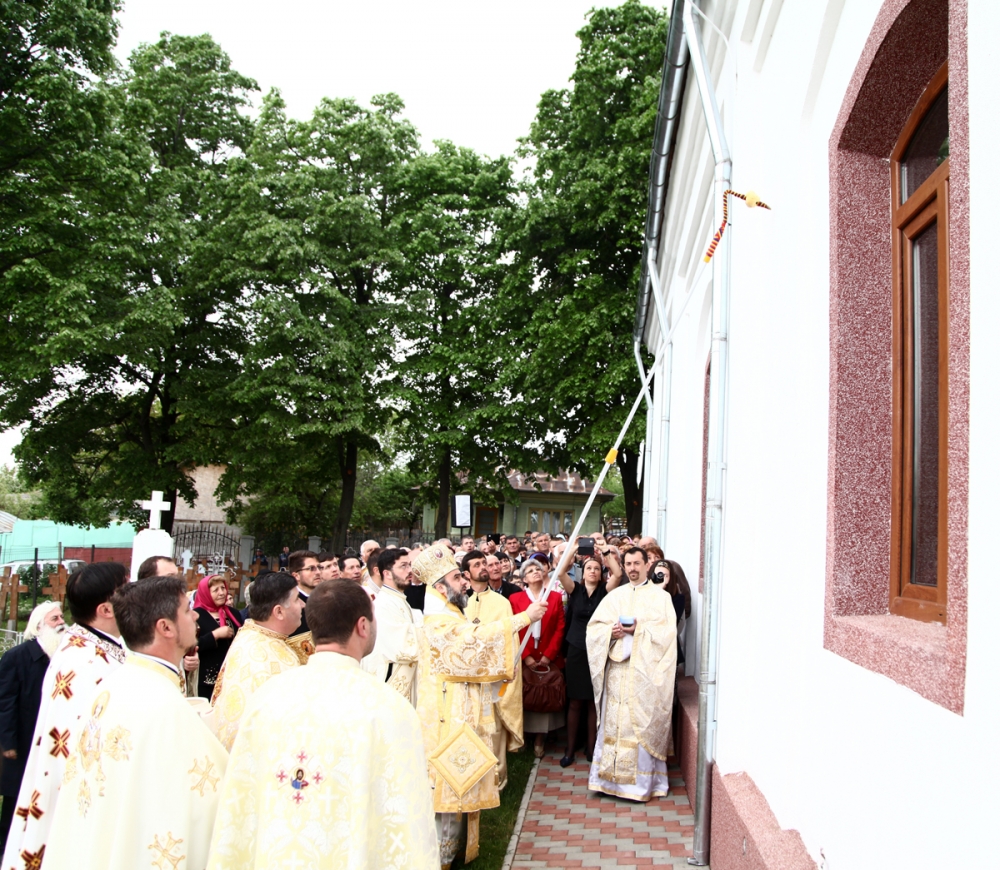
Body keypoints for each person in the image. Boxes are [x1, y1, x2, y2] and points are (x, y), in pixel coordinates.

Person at [207, 581, 438, 870]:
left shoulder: (266, 698)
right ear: (363, 626)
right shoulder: (389, 709)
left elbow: (239, 808)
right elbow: (404, 823)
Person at [44, 575, 229, 870]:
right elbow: (207, 804)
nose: (195, 614)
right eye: (186, 609)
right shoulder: (163, 707)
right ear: (165, 627)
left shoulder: (113, 685)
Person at [412, 545, 546, 867]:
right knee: (446, 787)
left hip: (457, 710)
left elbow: (472, 641)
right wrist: (525, 618)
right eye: (457, 577)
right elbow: (471, 644)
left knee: (458, 784)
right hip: (446, 716)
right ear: (440, 588)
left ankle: (453, 849)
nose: (464, 582)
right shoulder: (437, 621)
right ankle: (438, 856)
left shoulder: (450, 614)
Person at [1, 562, 128, 869]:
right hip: (77, 787)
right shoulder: (83, 659)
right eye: (125, 590)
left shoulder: (92, 648)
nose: (133, 596)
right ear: (106, 609)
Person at [586, 546, 677, 801]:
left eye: (637, 563)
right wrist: (610, 634)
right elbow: (594, 629)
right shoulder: (614, 596)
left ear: (648, 565)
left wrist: (640, 630)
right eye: (628, 564)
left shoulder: (661, 598)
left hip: (644, 676)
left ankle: (641, 785)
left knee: (639, 724)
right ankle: (607, 780)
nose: (633, 569)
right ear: (623, 566)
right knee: (614, 724)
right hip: (617, 672)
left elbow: (668, 636)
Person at [209, 572, 306, 750]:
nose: (302, 604)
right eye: (297, 599)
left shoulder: (261, 637)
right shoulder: (258, 657)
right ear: (278, 611)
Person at [0, 602, 65, 851]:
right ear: (39, 626)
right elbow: (5, 703)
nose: (61, 622)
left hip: (52, 742)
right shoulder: (16, 658)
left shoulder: (63, 657)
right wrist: (8, 743)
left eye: (61, 617)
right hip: (22, 742)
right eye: (54, 619)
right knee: (16, 805)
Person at [555, 548, 621, 767]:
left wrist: (606, 552)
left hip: (598, 649)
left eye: (596, 568)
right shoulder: (575, 590)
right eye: (588, 568)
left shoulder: (605, 590)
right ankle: (570, 749)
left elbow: (618, 575)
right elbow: (561, 571)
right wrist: (574, 548)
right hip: (576, 649)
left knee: (594, 702)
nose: (592, 571)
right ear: (582, 573)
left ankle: (592, 748)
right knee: (575, 702)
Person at [462, 551, 522, 791]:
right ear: (467, 574)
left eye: (484, 563)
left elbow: (510, 639)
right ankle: (471, 780)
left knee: (492, 729)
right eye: (477, 564)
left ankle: (497, 783)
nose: (483, 567)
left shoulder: (502, 603)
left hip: (493, 677)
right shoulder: (459, 602)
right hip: (466, 678)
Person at [510, 559, 565, 758]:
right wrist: (525, 657)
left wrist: (549, 656)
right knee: (524, 696)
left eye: (538, 570)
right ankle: (521, 737)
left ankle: (540, 740)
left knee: (544, 697)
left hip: (547, 657)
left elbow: (559, 629)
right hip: (525, 655)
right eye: (530, 571)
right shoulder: (515, 599)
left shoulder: (556, 597)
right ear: (524, 578)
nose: (535, 572)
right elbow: (514, 628)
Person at [362, 549, 420, 705]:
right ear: (387, 574)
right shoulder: (383, 604)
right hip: (389, 683)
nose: (410, 571)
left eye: (410, 565)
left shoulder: (399, 599)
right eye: (403, 566)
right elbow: (403, 646)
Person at [193, 574, 244, 699]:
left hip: (232, 675)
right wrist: (215, 635)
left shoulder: (233, 613)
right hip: (208, 679)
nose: (221, 593)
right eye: (216, 590)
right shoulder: (197, 616)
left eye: (223, 588)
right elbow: (192, 645)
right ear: (205, 593)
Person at [288, 549, 321, 638]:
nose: (318, 572)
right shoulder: (290, 603)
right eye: (311, 569)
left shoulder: (325, 598)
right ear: (296, 576)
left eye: (319, 567)